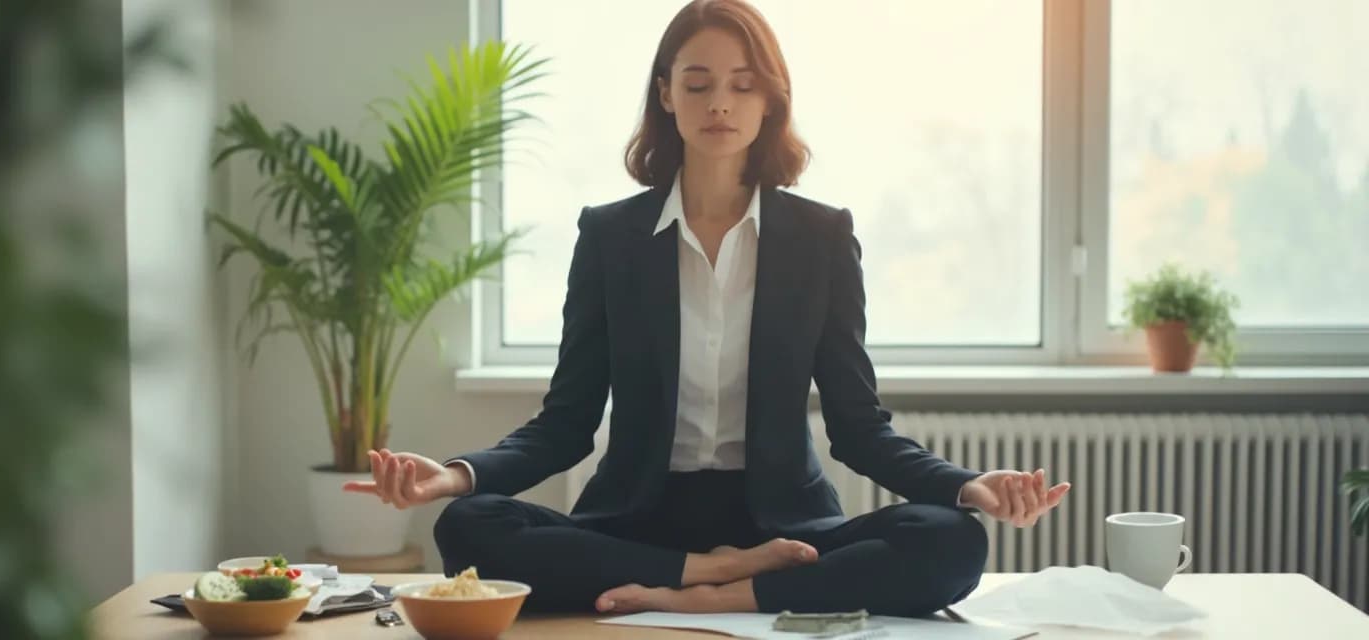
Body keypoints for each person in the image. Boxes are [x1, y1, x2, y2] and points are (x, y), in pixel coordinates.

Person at [344, 0, 1070, 617]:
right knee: (469, 526)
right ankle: (707, 574)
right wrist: (454, 475)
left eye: (741, 85)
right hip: (640, 518)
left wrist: (966, 486)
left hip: (783, 520)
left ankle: (719, 596)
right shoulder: (610, 236)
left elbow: (859, 429)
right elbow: (565, 424)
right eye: (697, 84)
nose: (719, 102)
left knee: (954, 539)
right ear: (666, 95)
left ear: (769, 99)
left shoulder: (820, 237)